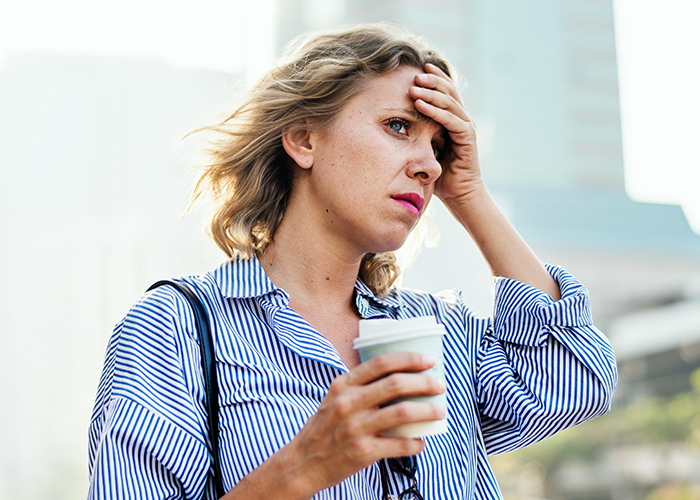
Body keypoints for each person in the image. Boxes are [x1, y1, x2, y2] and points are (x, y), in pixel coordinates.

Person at [87, 23, 617, 500]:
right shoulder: (175, 331)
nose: (429, 167)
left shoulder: (437, 333)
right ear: (302, 138)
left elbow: (578, 376)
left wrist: (470, 192)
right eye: (398, 126)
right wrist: (303, 466)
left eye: (439, 148)